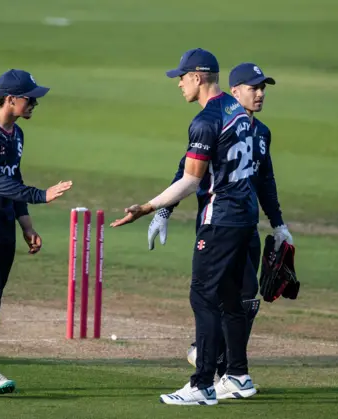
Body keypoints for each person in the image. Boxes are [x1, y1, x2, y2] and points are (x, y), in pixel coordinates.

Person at [111, 48, 260, 406]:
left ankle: (202, 384)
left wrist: (149, 207)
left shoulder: (206, 120)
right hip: (245, 219)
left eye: (181, 77)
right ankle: (237, 374)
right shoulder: (239, 114)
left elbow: (192, 180)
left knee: (203, 296)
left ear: (197, 77)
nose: (178, 84)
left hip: (219, 219)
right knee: (229, 298)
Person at [147, 62, 294, 390]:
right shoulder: (219, 121)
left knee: (245, 299)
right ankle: (215, 364)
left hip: (245, 226)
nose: (260, 94)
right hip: (221, 223)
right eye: (254, 88)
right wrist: (164, 211)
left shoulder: (262, 133)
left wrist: (279, 225)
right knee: (218, 297)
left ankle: (232, 372)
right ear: (235, 90)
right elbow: (186, 172)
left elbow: (266, 181)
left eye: (263, 88)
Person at [0, 69, 73, 396]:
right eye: (29, 98)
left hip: (3, 224)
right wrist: (41, 195)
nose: (34, 103)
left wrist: (27, 224)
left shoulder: (16, 135)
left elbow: (13, 181)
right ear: (10, 99)